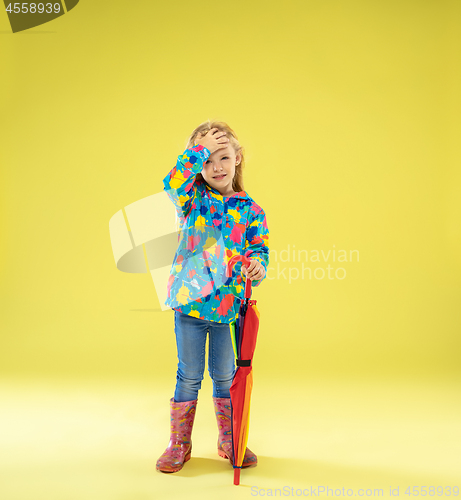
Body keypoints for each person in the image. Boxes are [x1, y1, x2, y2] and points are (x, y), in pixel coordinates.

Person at [156, 120, 270, 473]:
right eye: (207, 160)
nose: (216, 167)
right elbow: (172, 184)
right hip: (190, 305)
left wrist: (257, 267)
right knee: (189, 375)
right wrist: (196, 150)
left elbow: (259, 250)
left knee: (224, 375)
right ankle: (180, 443)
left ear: (238, 158)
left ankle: (229, 438)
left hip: (226, 310)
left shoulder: (251, 209)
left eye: (223, 156)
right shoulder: (192, 199)